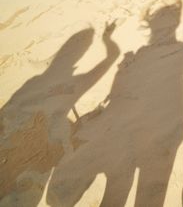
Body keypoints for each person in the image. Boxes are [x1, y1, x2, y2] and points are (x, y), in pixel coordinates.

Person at [47, 0, 183, 207]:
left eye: (164, 28)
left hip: (141, 133)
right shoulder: (142, 54)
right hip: (121, 131)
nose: (159, 34)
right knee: (117, 187)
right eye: (158, 29)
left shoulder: (178, 51)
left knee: (128, 190)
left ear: (172, 26)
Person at [0, 23, 119, 206]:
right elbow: (112, 58)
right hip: (32, 168)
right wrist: (107, 39)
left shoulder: (36, 82)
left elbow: (6, 113)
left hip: (21, 160)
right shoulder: (72, 85)